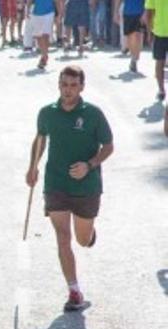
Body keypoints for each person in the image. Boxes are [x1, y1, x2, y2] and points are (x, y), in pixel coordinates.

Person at [26, 66, 113, 311]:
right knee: (63, 237)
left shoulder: (93, 114)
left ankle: (89, 234)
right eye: (64, 84)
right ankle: (74, 291)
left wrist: (90, 165)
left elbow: (108, 146)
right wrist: (32, 167)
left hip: (86, 187)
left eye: (73, 85)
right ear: (59, 85)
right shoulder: (47, 113)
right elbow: (40, 139)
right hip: (56, 184)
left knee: (82, 240)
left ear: (82, 87)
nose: (68, 90)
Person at [145, 0, 167, 100]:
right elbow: (149, 13)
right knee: (159, 63)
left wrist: (149, 33)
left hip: (159, 32)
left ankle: (161, 90)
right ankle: (161, 89)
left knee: (160, 62)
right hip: (159, 32)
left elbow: (149, 13)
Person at [27, 0, 58, 69]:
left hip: (49, 13)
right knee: (38, 36)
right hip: (36, 13)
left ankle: (43, 57)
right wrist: (27, 10)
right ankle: (44, 54)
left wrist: (59, 14)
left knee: (45, 35)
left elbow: (57, 1)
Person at [115, 0, 143, 72]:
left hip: (140, 12)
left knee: (137, 36)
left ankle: (134, 60)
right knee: (130, 37)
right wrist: (116, 12)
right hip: (128, 13)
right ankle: (133, 57)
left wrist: (147, 12)